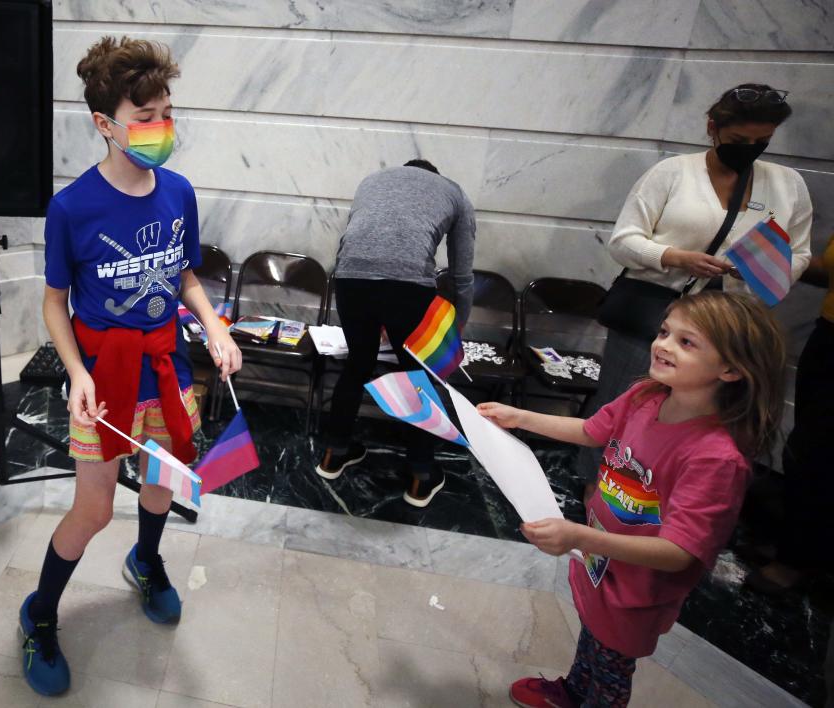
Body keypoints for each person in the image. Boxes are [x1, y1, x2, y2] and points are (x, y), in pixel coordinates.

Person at [20, 37, 241, 696]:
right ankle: (39, 614)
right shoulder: (73, 207)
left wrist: (215, 326)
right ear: (105, 124)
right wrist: (78, 372)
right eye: (144, 117)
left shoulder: (177, 192)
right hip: (105, 381)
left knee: (162, 485)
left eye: (165, 112)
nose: (158, 128)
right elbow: (54, 304)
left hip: (166, 372)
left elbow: (186, 279)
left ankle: (146, 560)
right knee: (90, 511)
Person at [478, 291, 786, 707]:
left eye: (686, 341)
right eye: (664, 332)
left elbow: (679, 552)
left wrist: (580, 538)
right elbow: (591, 431)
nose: (663, 345)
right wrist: (520, 417)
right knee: (592, 637)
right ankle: (572, 691)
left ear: (731, 368)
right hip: (602, 563)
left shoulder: (716, 457)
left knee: (610, 669)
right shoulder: (646, 396)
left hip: (637, 589)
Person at [576, 83, 812, 489]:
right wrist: (675, 257)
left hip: (728, 326)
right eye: (740, 140)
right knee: (623, 401)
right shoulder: (672, 173)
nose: (751, 148)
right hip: (655, 312)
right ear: (713, 128)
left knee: (700, 416)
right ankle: (592, 486)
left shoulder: (787, 184)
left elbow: (801, 252)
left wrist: (762, 271)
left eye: (762, 141)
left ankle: (659, 491)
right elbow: (624, 240)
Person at [316, 159, 475, 507]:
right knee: (418, 376)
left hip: (349, 280)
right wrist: (457, 324)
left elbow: (354, 244)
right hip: (410, 288)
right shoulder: (454, 193)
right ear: (435, 177)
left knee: (358, 363)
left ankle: (334, 454)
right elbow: (461, 275)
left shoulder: (371, 180)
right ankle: (421, 476)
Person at [746, 232, 834, 594]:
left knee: (819, 451)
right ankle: (794, 545)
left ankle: (797, 560)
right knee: (804, 444)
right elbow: (828, 271)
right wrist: (767, 251)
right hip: (828, 333)